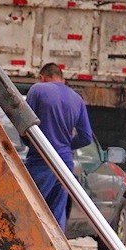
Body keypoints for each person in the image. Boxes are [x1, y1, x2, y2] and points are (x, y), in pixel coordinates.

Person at [23, 63, 94, 229]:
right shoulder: (77, 99)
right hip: (64, 164)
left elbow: (24, 124)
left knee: (30, 209)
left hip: (41, 160)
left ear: (42, 77)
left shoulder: (38, 90)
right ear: (62, 78)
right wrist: (66, 145)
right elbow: (86, 137)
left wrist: (31, 144)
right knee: (55, 213)